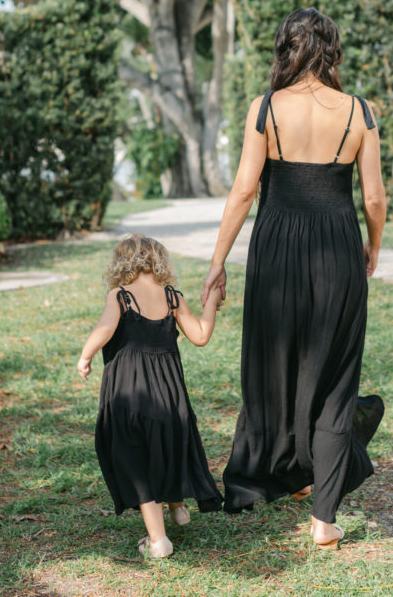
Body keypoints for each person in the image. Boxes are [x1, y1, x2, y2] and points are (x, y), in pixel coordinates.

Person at [201, 7, 386, 550]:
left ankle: (258, 478)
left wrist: (218, 260)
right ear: (332, 49)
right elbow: (373, 197)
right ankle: (324, 520)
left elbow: (242, 190)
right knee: (334, 377)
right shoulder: (361, 113)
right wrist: (374, 244)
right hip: (337, 247)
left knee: (272, 362)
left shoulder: (265, 109)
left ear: (285, 48)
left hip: (276, 246)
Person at [78, 233, 223, 559]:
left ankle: (159, 540)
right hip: (169, 394)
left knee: (136, 458)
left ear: (121, 263)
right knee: (167, 444)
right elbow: (200, 335)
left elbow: (104, 329)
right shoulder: (172, 297)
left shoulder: (120, 296)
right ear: (159, 262)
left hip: (130, 393)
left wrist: (86, 354)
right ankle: (177, 505)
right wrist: (211, 302)